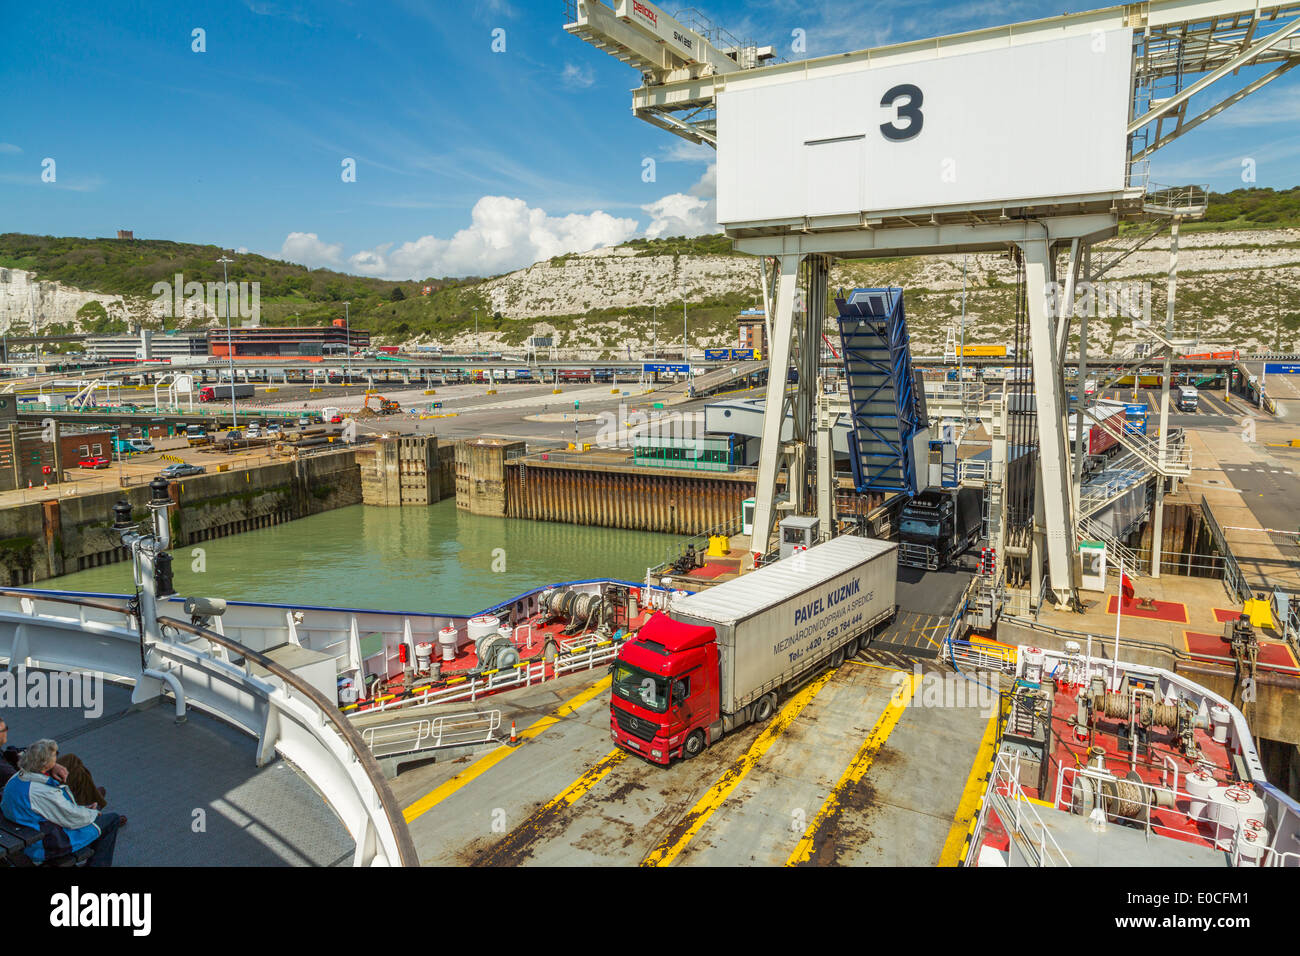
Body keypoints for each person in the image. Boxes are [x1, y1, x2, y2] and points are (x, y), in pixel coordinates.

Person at [2, 739, 125, 866]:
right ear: (45, 765)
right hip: (43, 845)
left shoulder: (15, 779)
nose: (57, 757)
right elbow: (72, 818)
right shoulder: (42, 792)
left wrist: (84, 809)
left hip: (26, 832)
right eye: (55, 755)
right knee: (111, 820)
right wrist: (92, 812)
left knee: (94, 819)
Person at [0, 715, 106, 808]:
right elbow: (20, 780)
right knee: (75, 769)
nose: (7, 731)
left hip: (23, 784)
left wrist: (53, 764)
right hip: (29, 791)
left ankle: (89, 796)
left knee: (71, 760)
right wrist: (47, 765)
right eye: (5, 729)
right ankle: (92, 805)